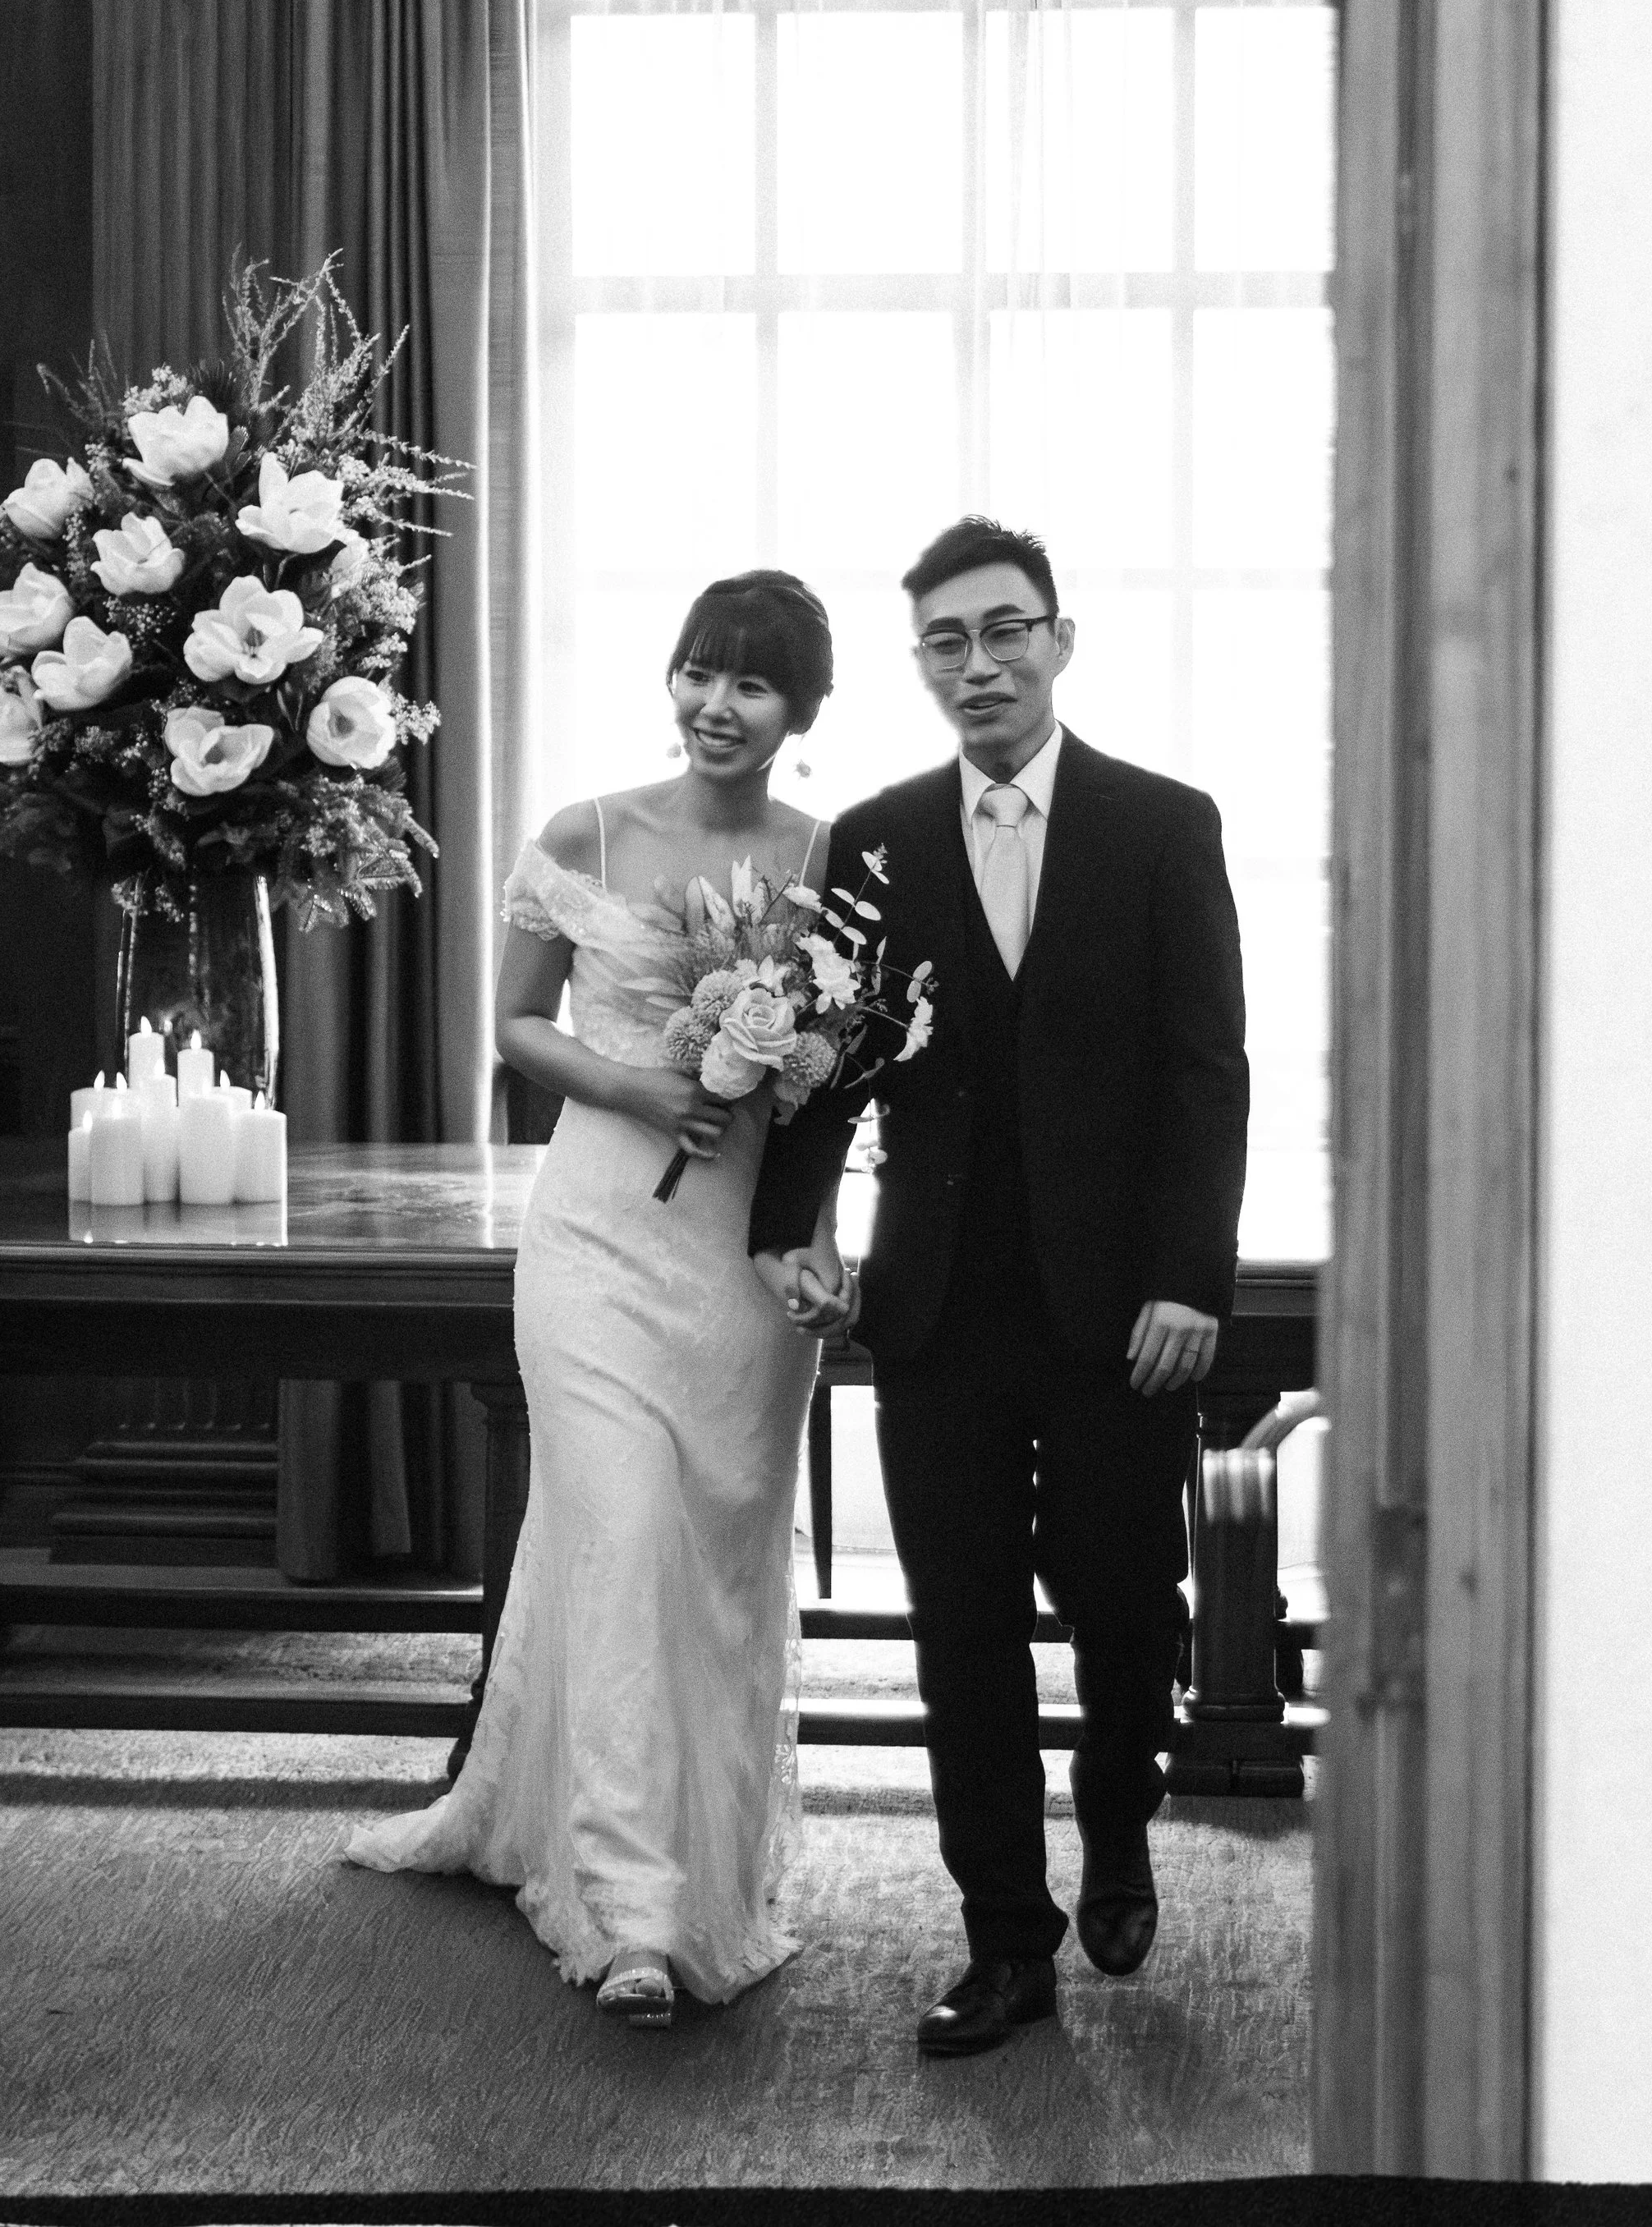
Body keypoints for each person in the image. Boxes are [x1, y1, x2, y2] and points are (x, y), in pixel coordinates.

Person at [748, 515, 1248, 2059]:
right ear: (923, 666)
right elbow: (827, 1061)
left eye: (1005, 630)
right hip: (938, 1306)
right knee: (960, 1634)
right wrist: (793, 1226)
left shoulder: (1165, 825)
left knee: (1125, 1606)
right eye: (948, 642)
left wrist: (1189, 1278)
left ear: (1058, 641)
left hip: (1121, 1315)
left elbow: (1205, 1073)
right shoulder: (876, 839)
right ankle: (1006, 1943)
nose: (980, 663)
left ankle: (1117, 1812)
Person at [345, 569, 851, 2027]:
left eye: (754, 682)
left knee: (715, 1562)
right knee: (620, 1531)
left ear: (804, 711)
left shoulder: (829, 859)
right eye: (700, 670)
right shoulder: (588, 833)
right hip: (594, 1246)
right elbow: (514, 1022)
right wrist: (636, 1083)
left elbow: (834, 1094)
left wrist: (818, 1241)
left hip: (741, 1262)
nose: (716, 704)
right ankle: (633, 1913)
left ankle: (704, 1867)